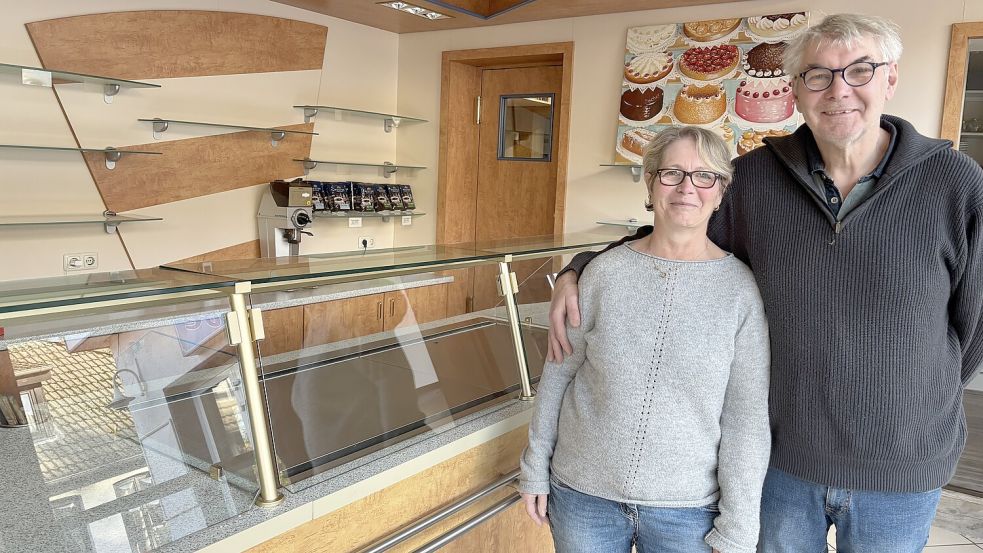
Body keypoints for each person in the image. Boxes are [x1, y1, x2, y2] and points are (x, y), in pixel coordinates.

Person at [548, 14, 983, 552]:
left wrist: (916, 392)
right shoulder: (754, 179)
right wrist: (580, 266)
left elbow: (975, 326)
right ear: (796, 91)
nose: (838, 90)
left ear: (889, 79)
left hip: (901, 466)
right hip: (782, 464)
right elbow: (678, 233)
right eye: (818, 75)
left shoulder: (956, 183)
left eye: (859, 71)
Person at [518, 126, 771, 553]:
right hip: (583, 499)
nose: (687, 188)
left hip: (688, 512)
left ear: (721, 191)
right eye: (672, 173)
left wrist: (740, 526)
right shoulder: (601, 274)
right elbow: (558, 375)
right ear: (651, 182)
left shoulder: (741, 292)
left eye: (704, 176)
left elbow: (746, 419)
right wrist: (535, 466)